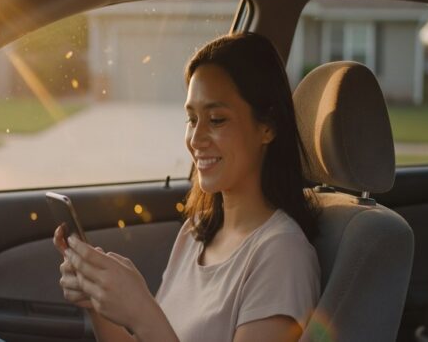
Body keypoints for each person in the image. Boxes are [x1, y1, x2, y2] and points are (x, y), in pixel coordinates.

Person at [53, 32, 321, 342]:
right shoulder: (195, 232)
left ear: (268, 127)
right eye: (192, 119)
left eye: (217, 119)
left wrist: (141, 310)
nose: (195, 139)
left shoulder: (282, 256)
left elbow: (152, 327)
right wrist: (98, 303)